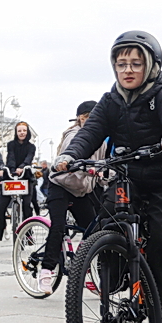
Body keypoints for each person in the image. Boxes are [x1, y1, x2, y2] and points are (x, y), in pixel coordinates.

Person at [65, 31, 162, 323]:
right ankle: (113, 278)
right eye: (121, 63)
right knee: (106, 222)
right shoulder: (111, 100)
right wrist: (69, 155)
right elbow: (92, 132)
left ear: (150, 66)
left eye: (135, 64)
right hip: (128, 177)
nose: (127, 70)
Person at [42, 101, 105, 291]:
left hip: (81, 189)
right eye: (86, 118)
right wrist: (86, 168)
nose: (90, 122)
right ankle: (46, 270)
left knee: (94, 231)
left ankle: (84, 268)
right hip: (60, 184)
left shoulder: (102, 137)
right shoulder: (74, 135)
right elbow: (72, 154)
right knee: (59, 226)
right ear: (80, 119)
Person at [6, 121, 38, 221]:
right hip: (12, 175)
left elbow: (29, 158)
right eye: (19, 131)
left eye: (24, 130)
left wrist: (22, 167)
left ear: (27, 132)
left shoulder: (31, 146)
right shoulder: (10, 144)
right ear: (16, 132)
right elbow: (10, 157)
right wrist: (12, 169)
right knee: (2, 204)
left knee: (27, 204)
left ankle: (28, 232)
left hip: (26, 175)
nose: (22, 133)